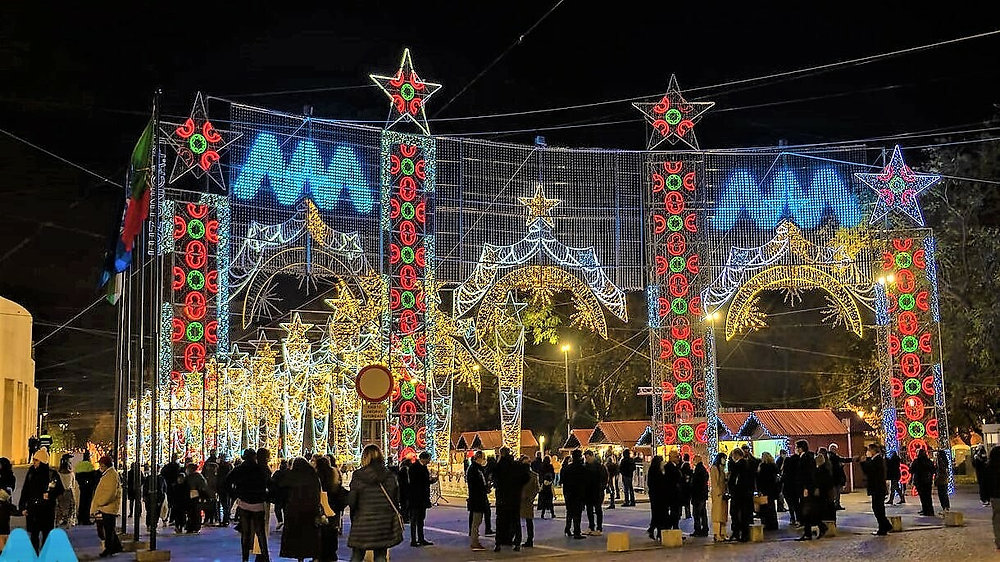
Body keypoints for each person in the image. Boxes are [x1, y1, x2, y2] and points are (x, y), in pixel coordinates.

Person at [347, 444, 404, 562]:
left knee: (357, 555)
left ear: (365, 457)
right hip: (383, 522)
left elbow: (352, 501)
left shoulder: (358, 475)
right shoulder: (389, 475)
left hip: (363, 522)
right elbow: (395, 499)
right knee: (380, 555)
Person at [227, 448, 271, 562]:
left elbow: (226, 482)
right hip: (258, 503)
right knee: (260, 533)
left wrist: (235, 494)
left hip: (244, 503)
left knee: (245, 534)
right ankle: (265, 556)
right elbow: (270, 484)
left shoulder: (239, 469)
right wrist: (264, 495)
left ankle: (245, 558)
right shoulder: (261, 469)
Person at [19, 449, 64, 553]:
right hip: (33, 509)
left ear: (43, 461)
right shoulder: (31, 472)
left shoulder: (51, 474)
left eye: (36, 460)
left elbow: (60, 489)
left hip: (46, 509)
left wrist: (50, 495)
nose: (34, 462)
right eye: (34, 460)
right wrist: (23, 506)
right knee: (34, 534)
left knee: (46, 534)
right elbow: (25, 490)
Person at [279, 457, 322, 562]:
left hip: (294, 511)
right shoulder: (313, 476)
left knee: (296, 537)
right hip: (310, 511)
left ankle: (300, 558)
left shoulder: (291, 476)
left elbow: (281, 488)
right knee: (309, 535)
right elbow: (317, 494)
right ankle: (314, 555)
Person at [492, 447, 528, 551]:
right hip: (514, 497)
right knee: (516, 520)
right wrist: (519, 487)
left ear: (501, 454)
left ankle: (498, 543)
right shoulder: (516, 465)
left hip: (502, 497)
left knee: (500, 521)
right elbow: (526, 477)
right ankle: (517, 543)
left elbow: (494, 478)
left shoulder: (499, 466)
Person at [90, 456, 123, 557]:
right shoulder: (109, 474)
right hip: (107, 507)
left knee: (108, 530)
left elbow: (110, 493)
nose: (100, 466)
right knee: (109, 528)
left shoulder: (111, 475)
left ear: (105, 465)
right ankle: (116, 547)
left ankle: (109, 549)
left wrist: (100, 502)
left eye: (101, 465)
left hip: (108, 507)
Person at [316, 456, 347, 562]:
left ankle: (319, 555)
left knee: (320, 534)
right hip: (333, 510)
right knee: (332, 533)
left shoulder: (316, 476)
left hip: (320, 510)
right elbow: (341, 493)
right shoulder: (333, 474)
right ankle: (331, 555)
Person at [859, 443, 892, 536]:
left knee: (878, 508)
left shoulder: (877, 459)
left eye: (869, 450)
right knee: (878, 508)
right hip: (877, 488)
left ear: (873, 450)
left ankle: (884, 527)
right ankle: (885, 526)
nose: (868, 452)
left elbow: (869, 470)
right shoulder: (876, 459)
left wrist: (863, 462)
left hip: (877, 488)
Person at [798, 452, 831, 540]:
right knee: (811, 514)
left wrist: (814, 489)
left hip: (816, 496)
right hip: (817, 496)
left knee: (809, 514)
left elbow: (819, 482)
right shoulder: (823, 469)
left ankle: (815, 529)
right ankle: (816, 529)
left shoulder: (820, 470)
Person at [407, 451, 437, 547]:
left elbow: (424, 481)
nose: (429, 461)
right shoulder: (414, 467)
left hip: (422, 498)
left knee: (421, 519)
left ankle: (421, 538)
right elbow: (415, 482)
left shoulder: (423, 467)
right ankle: (413, 540)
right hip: (415, 497)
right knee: (414, 519)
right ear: (424, 459)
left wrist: (430, 481)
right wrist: (428, 481)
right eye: (428, 459)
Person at [727, 448, 753, 542]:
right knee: (739, 514)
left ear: (736, 455)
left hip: (740, 493)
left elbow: (735, 479)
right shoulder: (744, 463)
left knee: (739, 514)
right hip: (742, 493)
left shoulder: (740, 464)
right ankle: (739, 533)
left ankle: (741, 534)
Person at [561, 449, 587, 540]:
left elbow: (562, 480)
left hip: (568, 492)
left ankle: (567, 528)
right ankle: (577, 532)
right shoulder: (582, 468)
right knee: (577, 513)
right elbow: (585, 482)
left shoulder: (567, 468)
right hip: (578, 493)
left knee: (569, 511)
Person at [466, 451, 489, 551]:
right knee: (476, 521)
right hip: (477, 498)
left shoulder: (478, 469)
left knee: (477, 520)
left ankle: (475, 540)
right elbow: (476, 484)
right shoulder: (474, 469)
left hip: (479, 497)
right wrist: (484, 488)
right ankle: (474, 542)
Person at [583, 450, 607, 536]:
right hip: (589, 492)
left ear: (591, 456)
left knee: (598, 510)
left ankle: (599, 528)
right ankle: (591, 526)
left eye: (587, 457)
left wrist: (601, 488)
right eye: (585, 458)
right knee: (589, 509)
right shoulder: (585, 466)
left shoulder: (599, 466)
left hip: (597, 492)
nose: (586, 459)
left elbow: (604, 478)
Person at [519, 455, 540, 548]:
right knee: (526, 521)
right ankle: (527, 539)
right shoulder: (533, 475)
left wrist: (531, 498)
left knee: (527, 521)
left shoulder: (533, 475)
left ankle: (529, 539)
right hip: (522, 500)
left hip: (526, 500)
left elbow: (536, 489)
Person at [756, 452, 779, 531]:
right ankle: (774, 523)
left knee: (764, 507)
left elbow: (759, 479)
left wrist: (759, 490)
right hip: (772, 489)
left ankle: (766, 523)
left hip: (764, 489)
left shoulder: (762, 466)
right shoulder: (774, 466)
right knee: (772, 506)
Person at [646, 455, 666, 540]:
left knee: (656, 513)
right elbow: (659, 482)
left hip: (654, 494)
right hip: (658, 494)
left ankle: (655, 530)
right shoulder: (657, 471)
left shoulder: (653, 470)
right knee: (658, 514)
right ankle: (655, 530)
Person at [910, 448, 936, 516]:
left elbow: (911, 470)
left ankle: (925, 510)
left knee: (923, 497)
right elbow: (933, 470)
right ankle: (930, 510)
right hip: (928, 481)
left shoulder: (917, 461)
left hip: (920, 481)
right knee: (928, 496)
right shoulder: (929, 461)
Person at [75, 451, 99, 526]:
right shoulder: (90, 465)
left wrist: (81, 483)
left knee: (82, 502)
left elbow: (77, 476)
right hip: (89, 488)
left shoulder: (79, 465)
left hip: (82, 486)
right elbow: (93, 476)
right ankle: (86, 519)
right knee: (87, 503)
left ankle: (80, 519)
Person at [184, 462, 209, 533]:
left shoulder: (193, 476)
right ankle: (193, 526)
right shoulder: (197, 476)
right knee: (193, 512)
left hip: (195, 496)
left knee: (194, 512)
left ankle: (193, 526)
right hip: (193, 496)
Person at [709, 453, 728, 542]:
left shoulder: (721, 469)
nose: (725, 460)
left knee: (723, 515)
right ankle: (717, 534)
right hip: (718, 495)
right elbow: (714, 483)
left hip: (723, 494)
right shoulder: (714, 468)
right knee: (717, 515)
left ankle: (723, 533)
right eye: (724, 458)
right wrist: (719, 493)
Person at [984, 445, 1000, 551]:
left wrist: (985, 496)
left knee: (997, 518)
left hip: (995, 496)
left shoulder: (989, 467)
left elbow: (985, 483)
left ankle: (999, 540)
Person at [690, 454, 709, 537]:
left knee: (697, 513)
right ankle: (705, 529)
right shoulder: (703, 469)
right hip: (703, 495)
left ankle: (698, 530)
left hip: (698, 495)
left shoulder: (698, 470)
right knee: (703, 513)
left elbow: (695, 484)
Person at [55, 454, 76, 527]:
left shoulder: (58, 473)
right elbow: (73, 484)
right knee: (71, 506)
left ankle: (60, 520)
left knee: (60, 507)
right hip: (68, 491)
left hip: (60, 492)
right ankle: (70, 521)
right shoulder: (71, 473)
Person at [663, 450, 683, 529]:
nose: (678, 458)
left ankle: (675, 529)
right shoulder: (669, 467)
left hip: (675, 493)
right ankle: (670, 528)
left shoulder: (675, 466)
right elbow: (673, 480)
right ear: (671, 458)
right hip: (672, 494)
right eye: (676, 457)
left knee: (676, 513)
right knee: (674, 513)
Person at [781, 448, 799, 526]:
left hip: (787, 489)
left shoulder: (786, 472)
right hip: (795, 488)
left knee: (790, 504)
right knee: (796, 503)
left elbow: (782, 479)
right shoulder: (795, 471)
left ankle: (792, 518)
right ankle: (798, 518)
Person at [270, 459, 289, 531]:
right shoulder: (289, 473)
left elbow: (272, 482)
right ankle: (286, 523)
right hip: (287, 494)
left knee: (277, 509)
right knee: (286, 509)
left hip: (278, 494)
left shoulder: (277, 473)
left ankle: (280, 521)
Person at [828, 443, 848, 510]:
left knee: (837, 492)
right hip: (834, 477)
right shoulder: (833, 456)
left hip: (835, 477)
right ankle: (835, 505)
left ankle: (836, 504)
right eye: (833, 449)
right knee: (836, 492)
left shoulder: (832, 456)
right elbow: (842, 460)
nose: (835, 450)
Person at [217, 453, 234, 525]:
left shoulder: (221, 466)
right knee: (225, 504)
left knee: (224, 504)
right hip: (225, 487)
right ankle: (224, 519)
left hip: (223, 487)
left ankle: (224, 519)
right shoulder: (228, 466)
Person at [202, 455, 219, 526]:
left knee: (210, 506)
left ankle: (210, 518)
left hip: (210, 492)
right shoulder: (213, 475)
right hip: (210, 492)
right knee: (210, 506)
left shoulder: (209, 475)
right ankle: (211, 518)